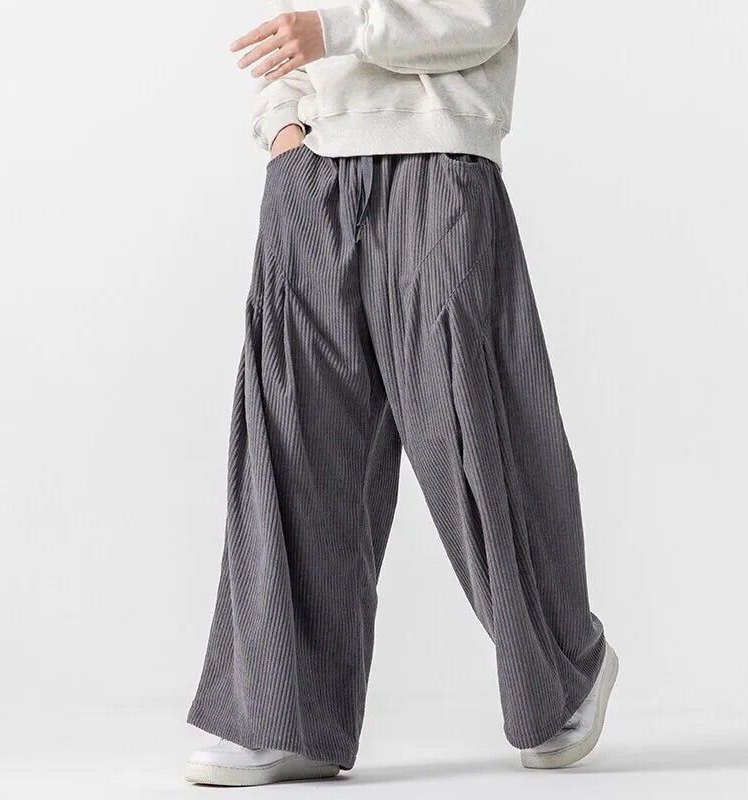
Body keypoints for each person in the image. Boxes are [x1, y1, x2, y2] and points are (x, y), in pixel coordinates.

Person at [184, 0, 618, 787]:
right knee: (296, 440)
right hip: (311, 168)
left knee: (476, 430)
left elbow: (481, 16)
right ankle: (288, 715)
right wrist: (282, 134)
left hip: (439, 158)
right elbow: (282, 34)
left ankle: (562, 669)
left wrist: (337, 32)